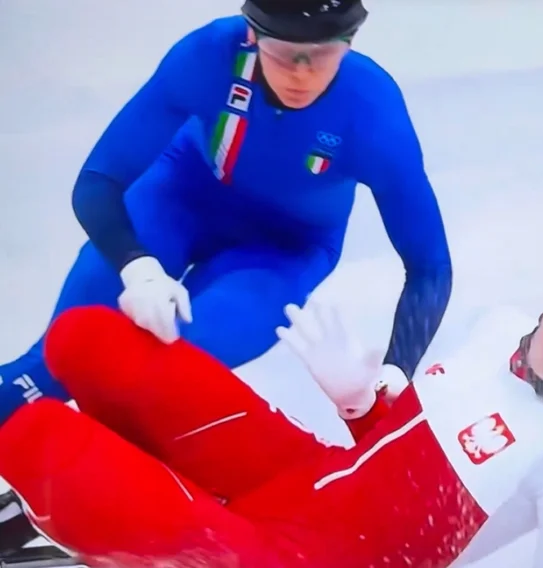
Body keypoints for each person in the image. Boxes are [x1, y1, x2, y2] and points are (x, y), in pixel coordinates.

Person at [0, 246, 543, 568]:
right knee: (85, 340)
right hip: (299, 474)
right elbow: (388, 449)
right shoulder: (499, 325)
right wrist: (356, 396)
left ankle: (154, 543)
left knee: (34, 438)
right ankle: (141, 497)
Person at [0, 0, 451, 427]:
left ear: (350, 42)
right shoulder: (208, 55)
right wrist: (136, 266)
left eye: (322, 54)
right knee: (53, 364)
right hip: (179, 199)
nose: (301, 73)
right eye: (284, 53)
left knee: (159, 379)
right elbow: (98, 181)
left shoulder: (373, 114)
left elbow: (430, 266)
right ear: (253, 35)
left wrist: (398, 368)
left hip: (283, 250)